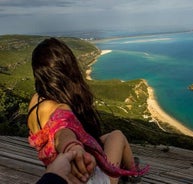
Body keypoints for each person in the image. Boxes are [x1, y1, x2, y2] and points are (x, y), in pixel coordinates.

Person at [27, 38, 149, 184]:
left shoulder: (35, 101)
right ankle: (133, 174)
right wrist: (73, 147)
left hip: (61, 171)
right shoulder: (61, 109)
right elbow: (62, 131)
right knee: (117, 135)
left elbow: (57, 134)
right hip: (87, 179)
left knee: (106, 138)